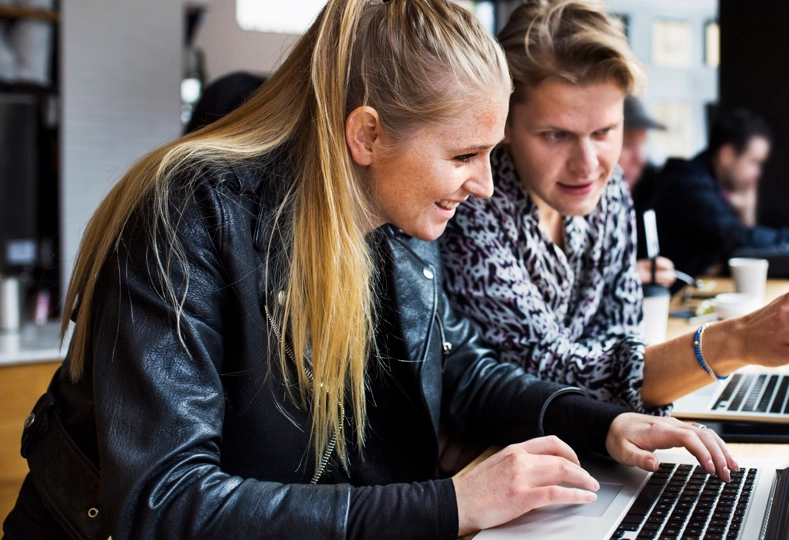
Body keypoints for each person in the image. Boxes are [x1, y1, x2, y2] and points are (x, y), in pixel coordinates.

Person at [3, 1, 740, 538]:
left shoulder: (394, 216)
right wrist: (451, 504)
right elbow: (165, 502)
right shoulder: (189, 215)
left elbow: (466, 370)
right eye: (462, 156)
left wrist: (608, 425)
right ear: (366, 134)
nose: (485, 184)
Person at [440, 0, 789, 416]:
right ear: (505, 126)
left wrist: (650, 369)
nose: (587, 164)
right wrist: (732, 342)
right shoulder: (471, 208)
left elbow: (622, 336)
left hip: (593, 441)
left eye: (605, 131)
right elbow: (552, 372)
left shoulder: (608, 192)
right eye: (556, 135)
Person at [653, 108, 789, 278]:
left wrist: (746, 208)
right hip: (672, 297)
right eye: (754, 162)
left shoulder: (710, 185)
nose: (758, 173)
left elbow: (742, 243)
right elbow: (736, 238)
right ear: (726, 155)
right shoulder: (689, 184)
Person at [619, 95, 676, 287]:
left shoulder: (651, 188)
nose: (640, 159)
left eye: (642, 145)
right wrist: (629, 274)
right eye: (627, 145)